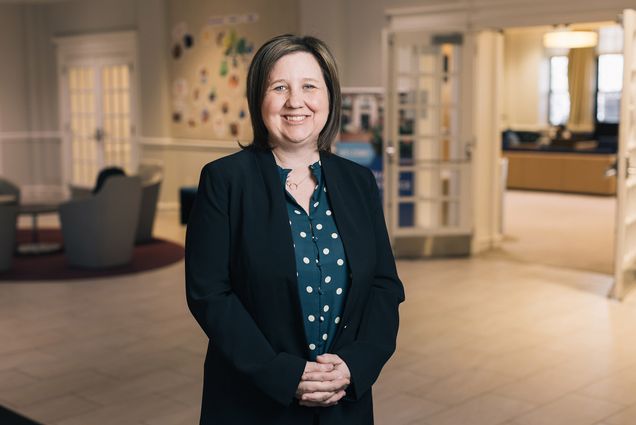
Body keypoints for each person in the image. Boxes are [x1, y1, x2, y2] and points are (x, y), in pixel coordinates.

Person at [185, 34, 405, 425]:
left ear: (329, 97)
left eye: (309, 86)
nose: (295, 101)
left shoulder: (358, 181)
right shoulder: (224, 180)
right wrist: (282, 374)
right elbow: (209, 295)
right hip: (253, 402)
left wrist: (356, 365)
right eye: (279, 87)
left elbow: (384, 286)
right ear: (258, 99)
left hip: (344, 400)